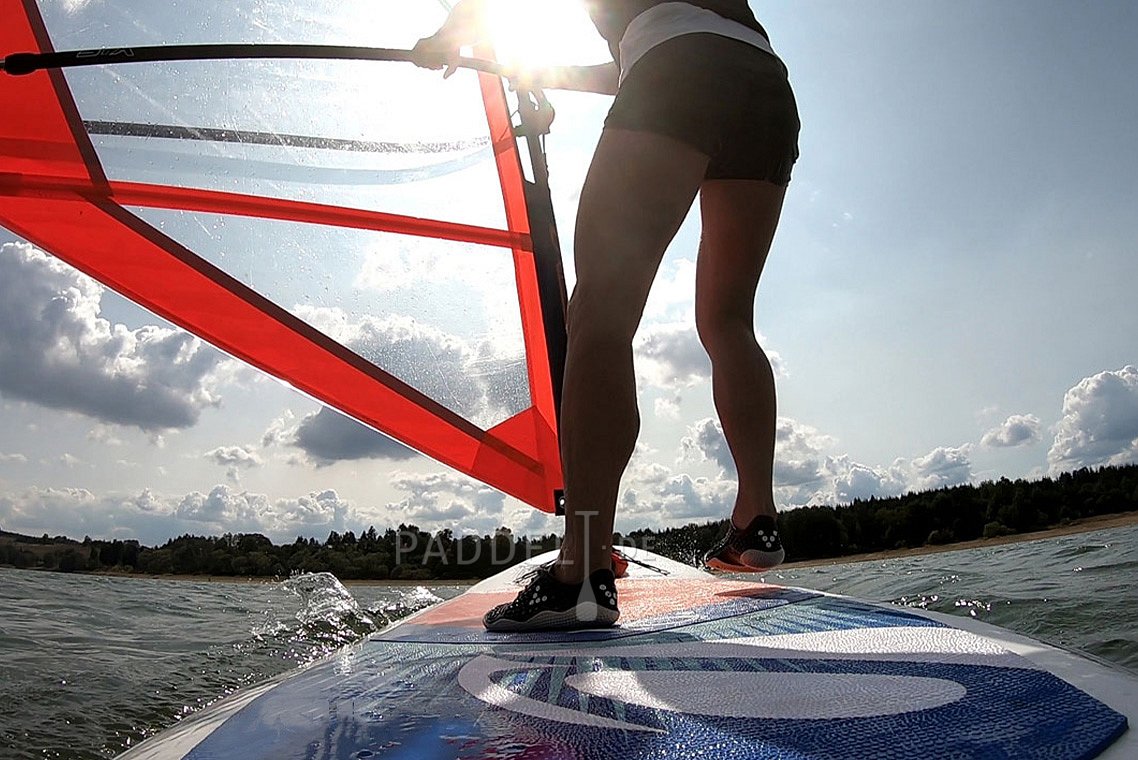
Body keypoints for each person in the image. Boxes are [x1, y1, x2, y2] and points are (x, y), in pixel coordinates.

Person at [413, 0, 799, 632]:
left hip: (678, 72)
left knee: (600, 315)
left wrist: (445, 37)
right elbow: (639, 59)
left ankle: (582, 572)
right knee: (729, 319)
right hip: (763, 83)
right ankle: (757, 520)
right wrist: (541, 73)